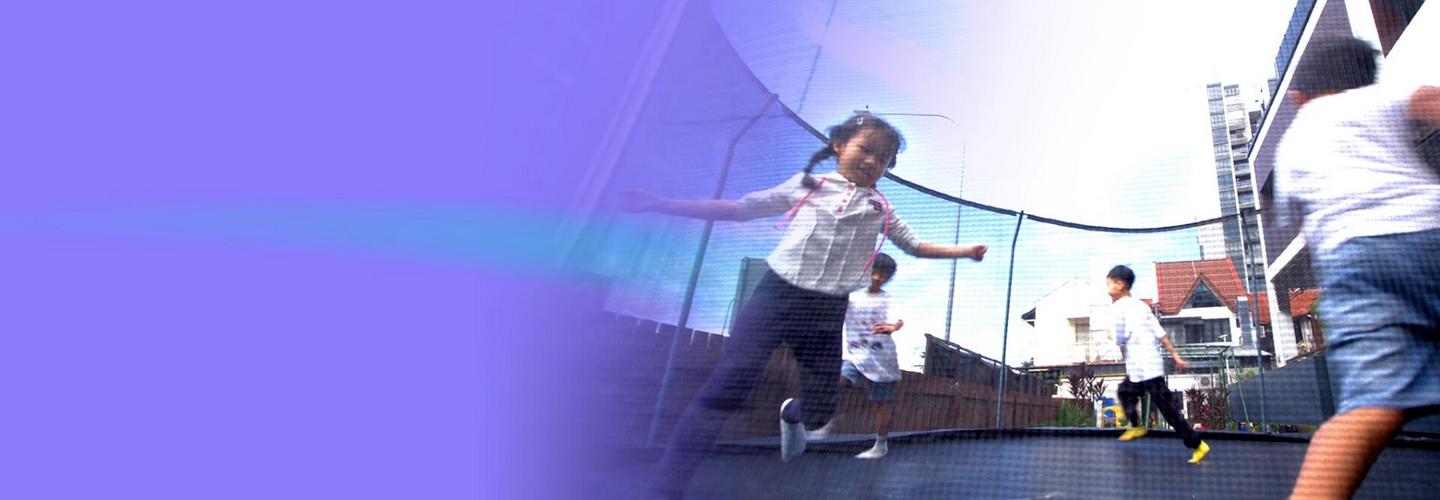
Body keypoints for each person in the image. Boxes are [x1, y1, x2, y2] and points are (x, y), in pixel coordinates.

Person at [623, 113, 987, 498]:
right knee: (727, 386)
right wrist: (661, 203)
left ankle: (792, 413)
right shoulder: (808, 185)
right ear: (839, 145)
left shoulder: (881, 208)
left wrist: (965, 251)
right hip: (776, 297)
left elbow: (915, 245)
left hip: (825, 311)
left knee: (820, 411)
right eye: (865, 149)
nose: (871, 161)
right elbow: (741, 207)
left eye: (882, 159)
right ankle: (666, 488)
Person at [1273, 36, 1440, 499]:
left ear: (1299, 96)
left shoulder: (1291, 144)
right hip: (1427, 230)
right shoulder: (1374, 97)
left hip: (1354, 261)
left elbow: (1299, 222)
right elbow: (1430, 100)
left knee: (1368, 407)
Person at [1106, 265, 1210, 464]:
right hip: (1146, 366)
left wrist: (1110, 334)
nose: (1108, 288)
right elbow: (1160, 333)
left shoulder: (1118, 308)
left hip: (1144, 367)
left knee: (1168, 410)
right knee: (1125, 392)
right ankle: (1136, 426)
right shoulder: (1142, 306)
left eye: (1109, 283)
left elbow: (1119, 338)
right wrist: (1175, 355)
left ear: (1120, 285)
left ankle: (1198, 444)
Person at [823, 252, 905, 459]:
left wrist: (892, 327)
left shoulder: (888, 300)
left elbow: (898, 320)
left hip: (882, 359)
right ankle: (823, 420)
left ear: (889, 278)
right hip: (856, 355)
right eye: (874, 272)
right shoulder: (852, 297)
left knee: (881, 404)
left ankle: (881, 444)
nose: (877, 278)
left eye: (883, 275)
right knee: (837, 381)